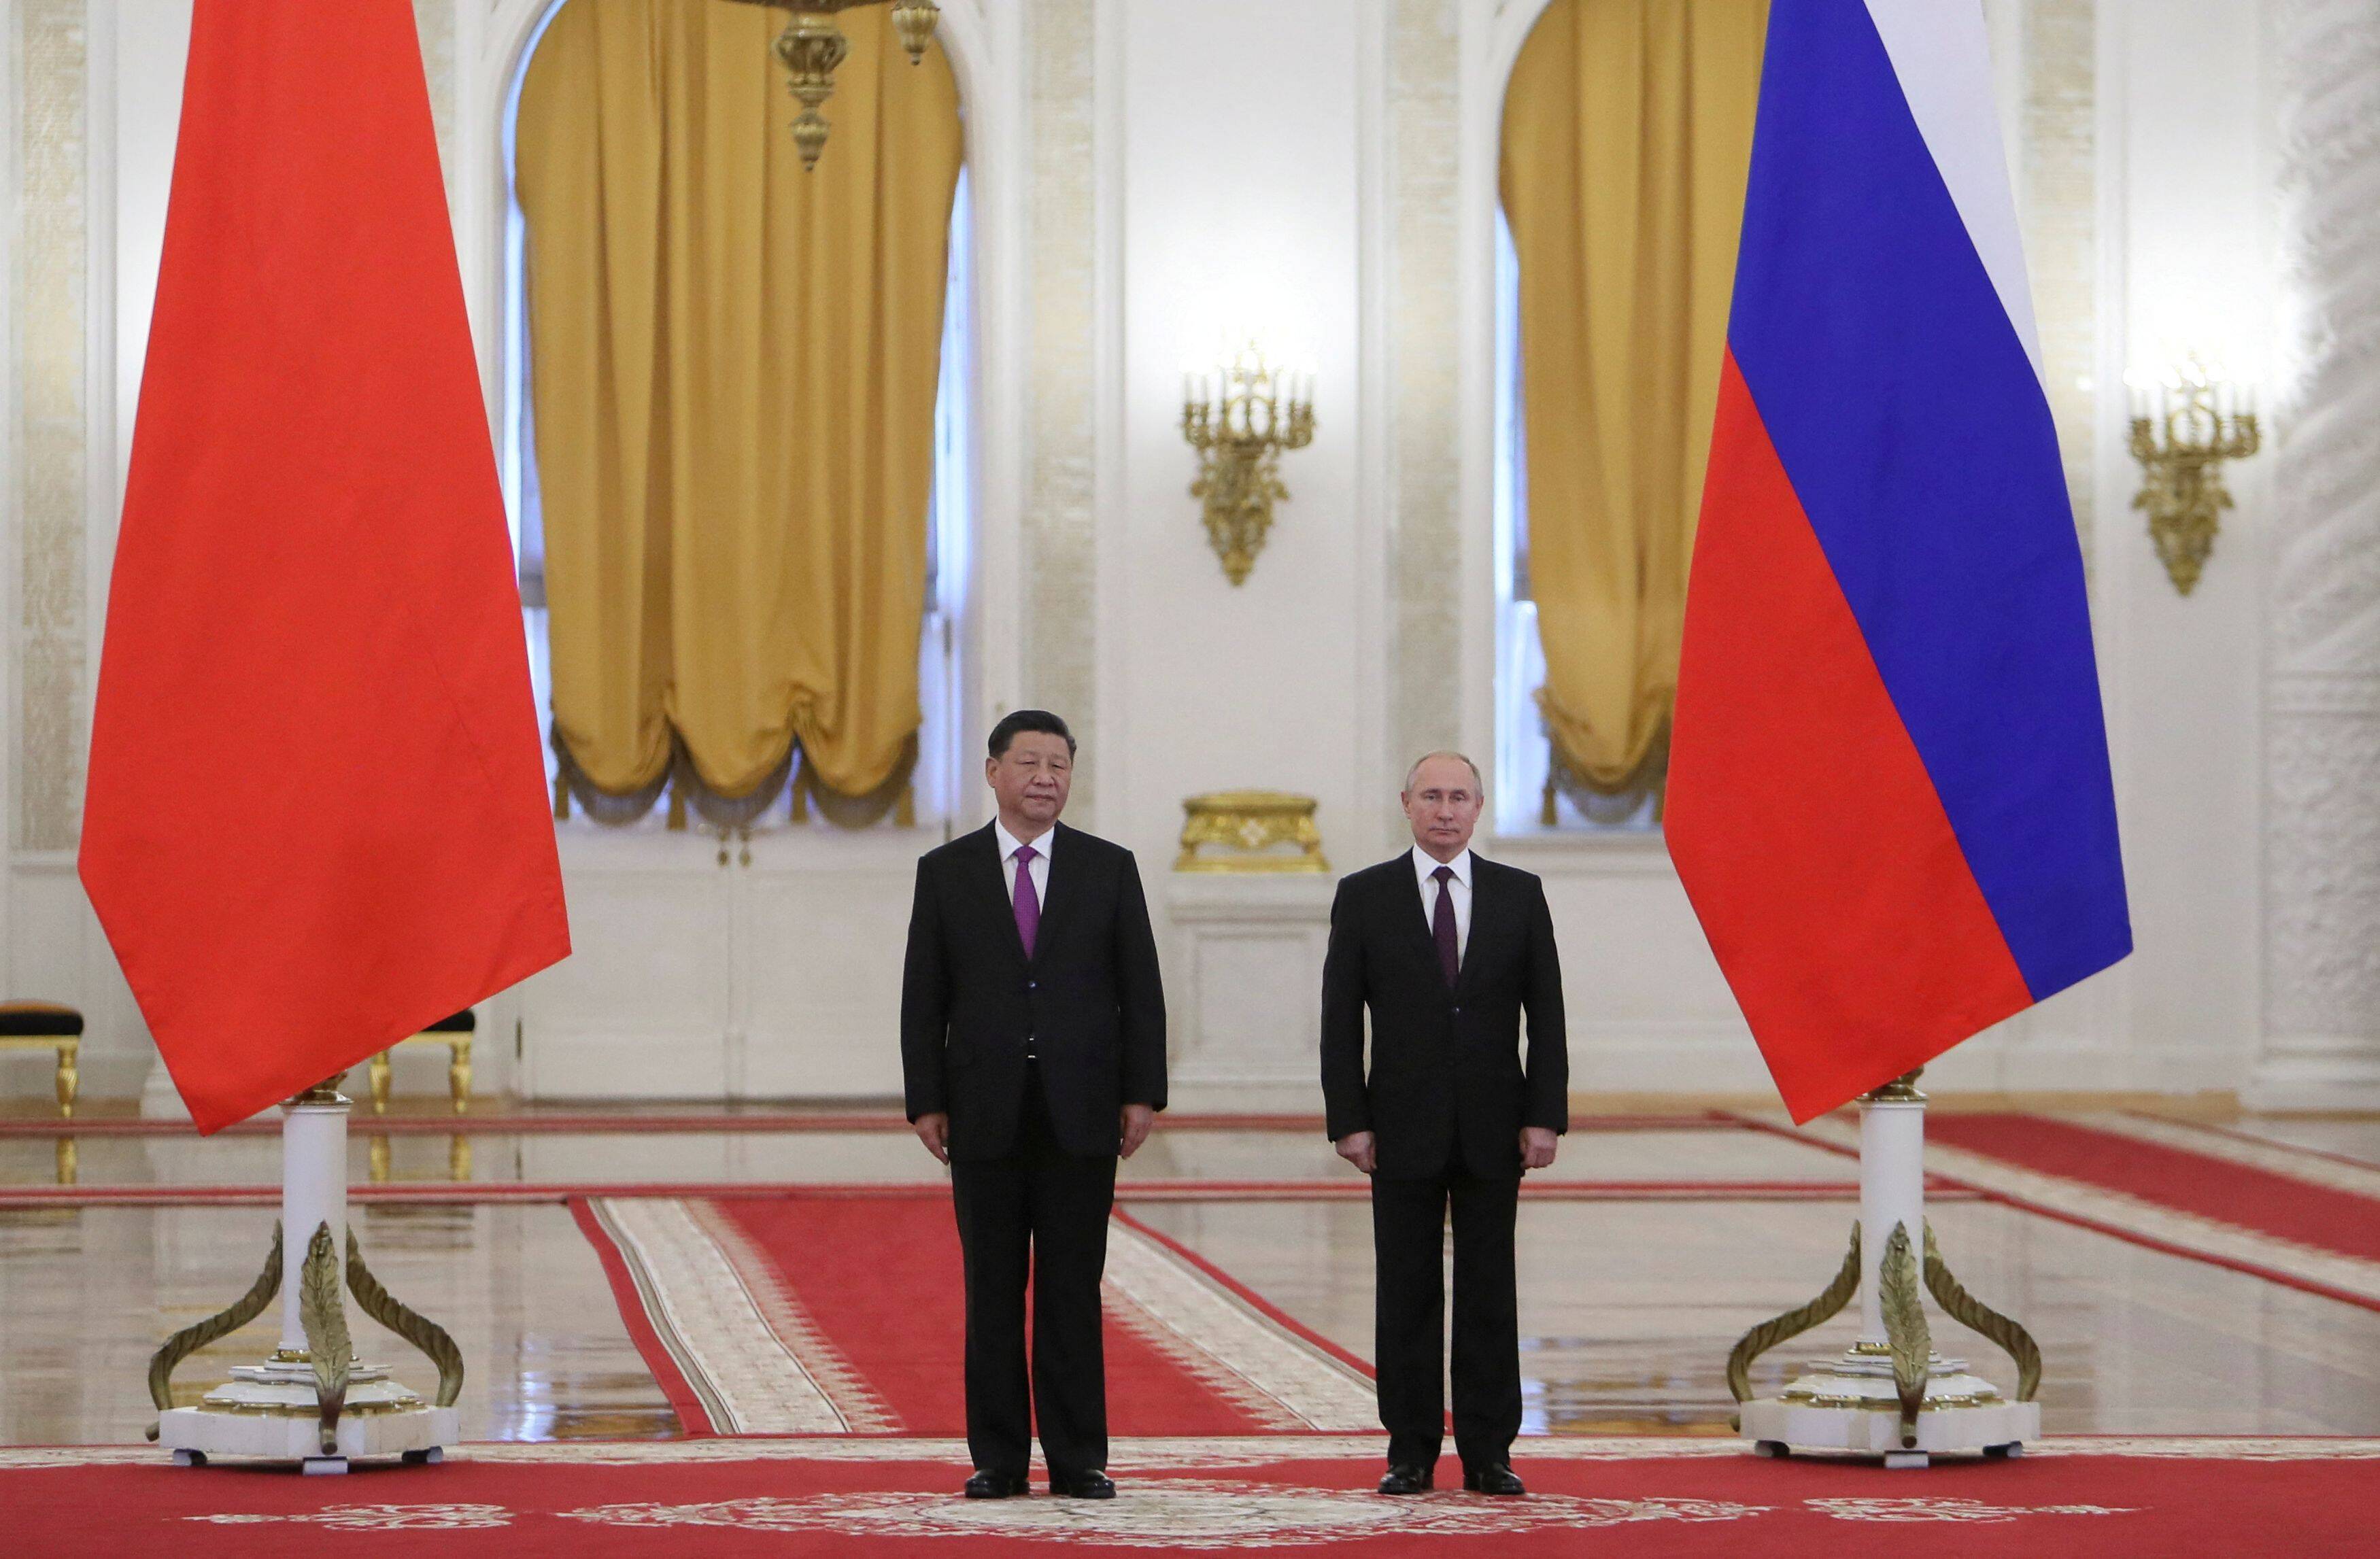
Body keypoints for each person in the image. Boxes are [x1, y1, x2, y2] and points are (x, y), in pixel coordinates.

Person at [900, 710, 1167, 1500]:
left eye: (1058, 765)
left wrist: (1140, 1093)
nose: (1045, 777)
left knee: (1071, 1288)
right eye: (1028, 763)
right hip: (981, 1110)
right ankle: (999, 1458)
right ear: (993, 772)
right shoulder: (945, 872)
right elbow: (924, 995)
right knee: (990, 1290)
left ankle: (1079, 1455)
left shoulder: (1106, 868)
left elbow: (1139, 991)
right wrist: (926, 1099)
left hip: (1080, 1110)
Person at [1319, 751, 1568, 1496]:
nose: (1445, 810)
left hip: (1496, 1125)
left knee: (1490, 1290)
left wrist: (1544, 1115)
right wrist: (1348, 1120)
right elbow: (1339, 1021)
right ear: (1406, 804)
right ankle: (1410, 1449)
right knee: (1406, 1290)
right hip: (1397, 1126)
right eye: (1431, 796)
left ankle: (1490, 1450)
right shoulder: (1363, 896)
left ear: (1479, 807)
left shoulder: (1518, 894)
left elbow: (1546, 1016)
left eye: (1459, 796)